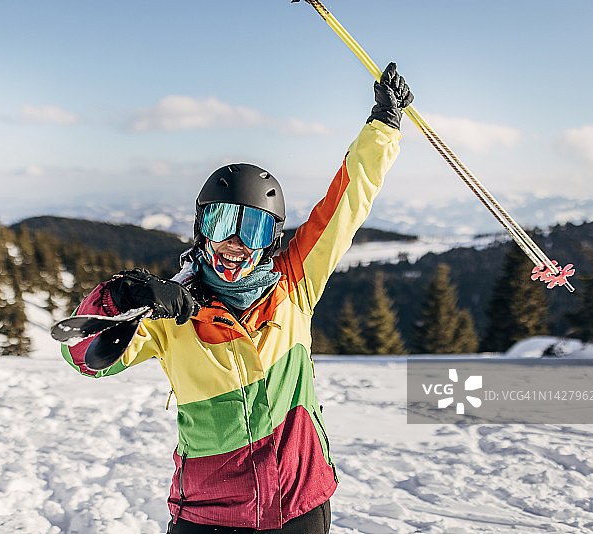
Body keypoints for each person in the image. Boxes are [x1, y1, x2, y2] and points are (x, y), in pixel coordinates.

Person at [60, 63, 413, 533]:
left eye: (254, 229)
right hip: (210, 515)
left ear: (272, 239)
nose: (235, 243)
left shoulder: (294, 283)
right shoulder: (170, 313)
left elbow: (346, 204)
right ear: (201, 228)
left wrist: (383, 127)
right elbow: (83, 356)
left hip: (298, 506)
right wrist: (124, 295)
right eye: (223, 223)